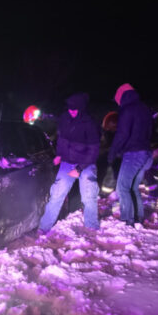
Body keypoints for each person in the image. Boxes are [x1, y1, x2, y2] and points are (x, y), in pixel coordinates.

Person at [38, 92, 101, 233]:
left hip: (86, 164)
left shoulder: (90, 123)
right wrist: (59, 155)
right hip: (67, 162)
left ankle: (92, 226)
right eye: (70, 109)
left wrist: (79, 168)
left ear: (81, 108)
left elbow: (93, 150)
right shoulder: (65, 119)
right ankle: (44, 227)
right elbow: (61, 140)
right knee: (56, 194)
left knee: (88, 196)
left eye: (75, 109)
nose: (72, 111)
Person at [108, 83, 154, 227]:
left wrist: (113, 151)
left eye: (117, 100)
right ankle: (138, 217)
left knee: (122, 187)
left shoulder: (127, 110)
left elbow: (122, 134)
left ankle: (127, 219)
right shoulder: (144, 108)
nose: (118, 103)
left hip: (133, 154)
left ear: (121, 97)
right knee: (133, 187)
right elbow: (149, 132)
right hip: (145, 152)